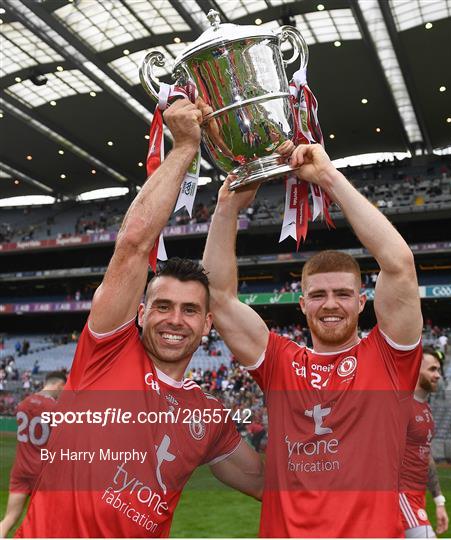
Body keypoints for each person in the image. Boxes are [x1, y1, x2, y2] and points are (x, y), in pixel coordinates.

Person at [15, 99, 263, 538]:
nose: (175, 320)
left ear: (208, 325)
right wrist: (185, 147)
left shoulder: (208, 418)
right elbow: (132, 244)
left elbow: (266, 483)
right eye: (163, 306)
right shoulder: (108, 352)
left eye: (190, 310)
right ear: (141, 312)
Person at [203, 143, 423, 537]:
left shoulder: (390, 358)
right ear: (303, 304)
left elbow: (399, 264)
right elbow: (217, 298)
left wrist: (328, 177)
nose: (330, 304)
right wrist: (226, 208)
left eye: (342, 294)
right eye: (319, 295)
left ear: (361, 301)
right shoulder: (280, 363)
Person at [0, 371, 67, 538]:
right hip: (42, 475)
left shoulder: (23, 403)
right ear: (59, 385)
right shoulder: (56, 409)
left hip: (21, 469)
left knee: (9, 518)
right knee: (45, 523)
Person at [399, 347, 449, 538]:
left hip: (417, 498)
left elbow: (425, 456)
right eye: (432, 369)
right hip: (400, 497)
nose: (438, 375)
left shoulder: (426, 410)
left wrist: (439, 501)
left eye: (439, 370)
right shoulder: (398, 406)